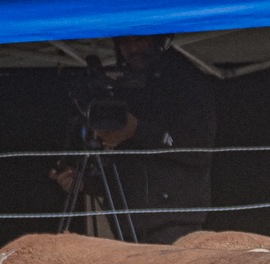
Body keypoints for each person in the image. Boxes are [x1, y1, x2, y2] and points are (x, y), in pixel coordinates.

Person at [50, 34, 218, 245]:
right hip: (127, 230)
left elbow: (198, 151)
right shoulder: (125, 89)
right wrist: (84, 182)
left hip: (175, 228)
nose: (133, 48)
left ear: (158, 39)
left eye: (140, 39)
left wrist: (137, 130)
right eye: (125, 43)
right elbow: (125, 170)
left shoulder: (187, 83)